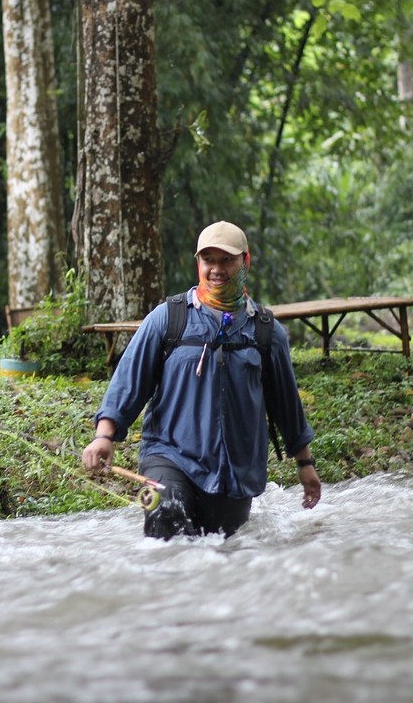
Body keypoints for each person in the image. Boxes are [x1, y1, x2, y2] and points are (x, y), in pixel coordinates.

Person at [81, 220, 322, 539]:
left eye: (227, 260)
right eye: (209, 260)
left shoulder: (265, 332)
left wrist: (305, 463)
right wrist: (104, 436)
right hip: (168, 455)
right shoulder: (168, 318)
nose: (217, 269)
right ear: (198, 263)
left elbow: (286, 403)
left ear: (245, 262)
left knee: (220, 552)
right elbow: (129, 380)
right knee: (166, 515)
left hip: (232, 472)